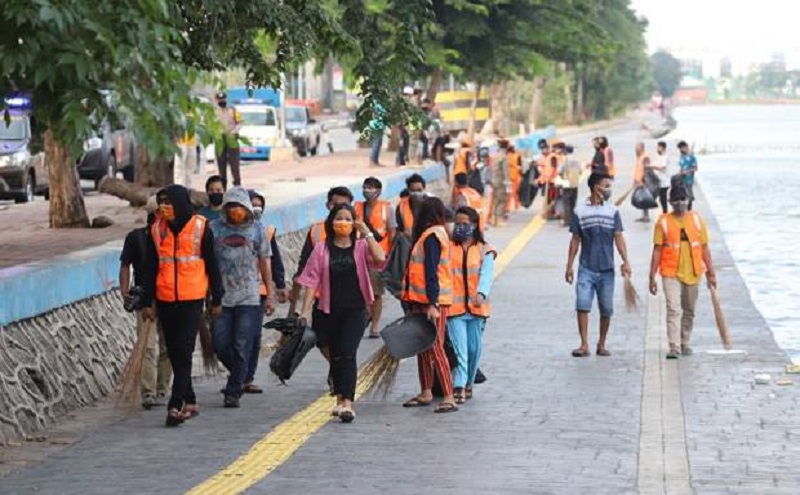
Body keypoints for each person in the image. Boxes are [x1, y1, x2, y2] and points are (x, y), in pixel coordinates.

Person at [142, 185, 223, 427]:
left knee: (184, 352)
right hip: (165, 300)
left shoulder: (200, 227)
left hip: (192, 300)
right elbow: (150, 269)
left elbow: (213, 266)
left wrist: (216, 299)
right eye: (162, 202)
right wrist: (147, 302)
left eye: (168, 202)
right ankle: (190, 399)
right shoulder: (157, 230)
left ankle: (175, 404)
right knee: (175, 352)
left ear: (179, 203)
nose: (164, 207)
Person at [297, 204, 385, 423]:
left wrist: (366, 232)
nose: (343, 222)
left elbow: (380, 258)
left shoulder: (361, 246)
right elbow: (311, 281)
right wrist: (305, 311)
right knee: (331, 351)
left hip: (355, 310)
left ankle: (347, 403)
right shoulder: (321, 249)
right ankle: (339, 397)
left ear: (354, 223)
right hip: (326, 310)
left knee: (347, 352)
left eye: (348, 218)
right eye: (339, 218)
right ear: (331, 222)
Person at [209, 187, 273, 408]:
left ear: (246, 207)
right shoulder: (214, 229)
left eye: (239, 206)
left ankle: (233, 391)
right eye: (231, 206)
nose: (235, 210)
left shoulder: (257, 229)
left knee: (242, 344)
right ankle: (240, 373)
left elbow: (265, 261)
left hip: (249, 297)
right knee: (220, 344)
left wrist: (270, 294)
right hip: (221, 297)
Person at [401, 197, 458, 414]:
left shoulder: (433, 236)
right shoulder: (431, 235)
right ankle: (426, 392)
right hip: (421, 301)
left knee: (435, 347)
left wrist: (433, 304)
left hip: (434, 302)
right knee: (423, 348)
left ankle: (449, 396)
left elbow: (431, 272)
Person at [565, 172, 632, 358]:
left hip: (607, 270)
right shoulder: (580, 211)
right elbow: (575, 240)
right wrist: (569, 266)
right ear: (596, 188)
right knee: (582, 305)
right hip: (586, 267)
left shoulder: (612, 211)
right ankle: (584, 344)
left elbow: (618, 237)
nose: (609, 189)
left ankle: (601, 344)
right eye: (606, 186)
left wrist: (626, 261)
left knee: (606, 309)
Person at [648, 186, 717, 359]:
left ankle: (684, 342)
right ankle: (674, 347)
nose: (679, 203)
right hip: (670, 271)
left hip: (693, 271)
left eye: (682, 200)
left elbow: (704, 248)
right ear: (670, 202)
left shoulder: (697, 221)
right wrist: (652, 276)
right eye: (676, 200)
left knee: (689, 310)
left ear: (688, 201)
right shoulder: (663, 222)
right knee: (673, 308)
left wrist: (711, 273)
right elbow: (657, 250)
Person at [119, 198, 172, 409]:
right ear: (155, 214)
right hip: (145, 300)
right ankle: (148, 392)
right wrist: (125, 291)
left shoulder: (174, 237)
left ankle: (162, 389)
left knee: (168, 347)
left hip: (169, 299)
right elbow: (125, 265)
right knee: (147, 347)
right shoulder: (136, 238)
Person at [447, 206, 496, 404]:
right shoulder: (448, 248)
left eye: (464, 224)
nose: (460, 227)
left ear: (474, 225)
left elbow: (487, 275)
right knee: (460, 348)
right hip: (454, 309)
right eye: (457, 223)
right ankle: (458, 385)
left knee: (473, 349)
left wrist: (481, 294)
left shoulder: (485, 249)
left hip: (477, 309)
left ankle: (469, 382)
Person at [244, 189, 288, 393]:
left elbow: (274, 259)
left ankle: (246, 378)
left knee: (253, 335)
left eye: (259, 205)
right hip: (233, 291)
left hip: (259, 291)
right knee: (233, 337)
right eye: (252, 204)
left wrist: (279, 286)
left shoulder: (266, 231)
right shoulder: (226, 231)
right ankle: (237, 372)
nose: (256, 209)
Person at [289, 186, 355, 315]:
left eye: (345, 205)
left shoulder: (357, 230)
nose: (340, 209)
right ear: (328, 205)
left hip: (351, 299)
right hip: (321, 298)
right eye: (336, 205)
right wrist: (296, 307)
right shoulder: (316, 231)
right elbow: (304, 264)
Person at [354, 177, 396, 338]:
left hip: (379, 258)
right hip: (359, 256)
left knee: (377, 293)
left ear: (378, 191)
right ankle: (366, 316)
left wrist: (390, 256)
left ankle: (375, 326)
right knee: (360, 292)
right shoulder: (357, 207)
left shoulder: (387, 208)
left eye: (370, 188)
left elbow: (392, 233)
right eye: (365, 187)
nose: (367, 191)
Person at [214, 92, 243, 187]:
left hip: (231, 139)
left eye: (223, 99)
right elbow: (208, 124)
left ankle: (237, 185)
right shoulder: (213, 112)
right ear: (216, 100)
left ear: (226, 99)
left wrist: (234, 132)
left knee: (234, 165)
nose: (222, 101)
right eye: (220, 99)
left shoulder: (233, 110)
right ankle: (223, 186)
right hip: (220, 140)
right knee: (221, 164)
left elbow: (240, 122)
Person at [396, 174, 427, 239]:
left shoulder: (432, 204)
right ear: (408, 190)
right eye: (413, 190)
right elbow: (399, 227)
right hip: (409, 240)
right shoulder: (401, 207)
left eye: (419, 190)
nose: (416, 193)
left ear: (424, 189)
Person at [558, 144, 582, 228]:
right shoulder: (576, 160)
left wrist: (561, 178)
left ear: (565, 151)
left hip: (567, 183)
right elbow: (580, 171)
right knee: (573, 203)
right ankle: (573, 220)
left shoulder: (565, 160)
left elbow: (560, 171)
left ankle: (567, 220)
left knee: (566, 202)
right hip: (575, 184)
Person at [491, 139, 510, 226]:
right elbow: (505, 171)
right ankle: (499, 220)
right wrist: (508, 183)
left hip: (494, 180)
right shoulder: (504, 157)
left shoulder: (495, 156)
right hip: (501, 181)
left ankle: (493, 220)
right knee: (502, 200)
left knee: (495, 200)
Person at [633, 142, 652, 223]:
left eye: (637, 147)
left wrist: (644, 181)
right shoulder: (640, 157)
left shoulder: (645, 157)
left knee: (645, 199)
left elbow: (647, 170)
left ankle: (646, 216)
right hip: (639, 181)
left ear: (642, 148)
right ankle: (644, 215)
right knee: (642, 198)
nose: (636, 149)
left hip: (643, 181)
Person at [677, 141, 698, 210]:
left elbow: (695, 168)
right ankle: (683, 210)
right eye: (680, 149)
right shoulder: (681, 157)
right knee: (682, 195)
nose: (681, 150)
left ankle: (689, 210)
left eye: (682, 148)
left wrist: (686, 171)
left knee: (689, 195)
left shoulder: (692, 157)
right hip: (681, 179)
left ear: (686, 147)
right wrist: (680, 172)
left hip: (689, 179)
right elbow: (680, 167)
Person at [653, 141, 671, 213]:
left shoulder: (665, 157)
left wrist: (653, 167)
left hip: (664, 181)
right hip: (658, 181)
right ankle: (664, 212)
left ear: (663, 148)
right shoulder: (657, 156)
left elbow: (662, 168)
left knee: (663, 198)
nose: (657, 148)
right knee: (661, 198)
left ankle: (665, 212)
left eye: (659, 147)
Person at [369, 101, 387, 167]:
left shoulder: (377, 104)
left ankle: (375, 161)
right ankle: (373, 161)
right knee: (376, 143)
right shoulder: (378, 104)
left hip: (379, 125)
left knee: (378, 143)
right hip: (377, 126)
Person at [505, 144, 522, 213]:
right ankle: (515, 206)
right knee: (514, 193)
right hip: (514, 177)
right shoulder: (517, 155)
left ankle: (508, 207)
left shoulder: (506, 156)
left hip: (510, 177)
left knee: (509, 193)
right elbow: (520, 167)